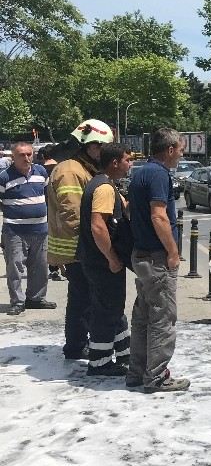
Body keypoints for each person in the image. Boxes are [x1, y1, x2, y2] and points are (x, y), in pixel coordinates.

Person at [47, 119, 114, 359]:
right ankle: (76, 345)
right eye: (100, 146)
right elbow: (72, 215)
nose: (103, 152)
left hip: (80, 248)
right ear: (87, 145)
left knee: (83, 296)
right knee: (82, 299)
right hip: (76, 249)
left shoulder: (83, 168)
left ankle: (78, 343)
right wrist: (93, 246)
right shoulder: (70, 171)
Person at [128, 127, 188, 394]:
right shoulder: (159, 175)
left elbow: (131, 211)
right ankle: (156, 377)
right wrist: (173, 252)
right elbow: (159, 216)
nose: (181, 155)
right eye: (181, 149)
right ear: (171, 149)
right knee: (163, 317)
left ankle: (137, 371)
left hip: (141, 255)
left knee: (143, 316)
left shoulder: (140, 172)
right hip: (156, 258)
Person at [77, 143, 133, 376]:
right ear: (115, 163)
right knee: (105, 310)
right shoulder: (104, 189)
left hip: (97, 259)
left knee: (113, 307)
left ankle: (123, 352)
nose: (130, 164)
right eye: (127, 160)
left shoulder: (105, 184)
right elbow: (98, 226)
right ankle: (99, 362)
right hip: (101, 261)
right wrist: (111, 258)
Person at [1, 142, 56, 316]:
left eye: (29, 154)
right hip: (15, 231)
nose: (26, 158)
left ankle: (36, 298)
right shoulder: (4, 177)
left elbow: (48, 195)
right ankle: (17, 301)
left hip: (40, 229)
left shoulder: (41, 172)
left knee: (40, 266)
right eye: (21, 155)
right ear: (13, 157)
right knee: (15, 268)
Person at [38, 145, 66, 282]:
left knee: (51, 239)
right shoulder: (61, 169)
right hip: (61, 206)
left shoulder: (40, 170)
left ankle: (54, 268)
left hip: (46, 208)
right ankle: (64, 265)